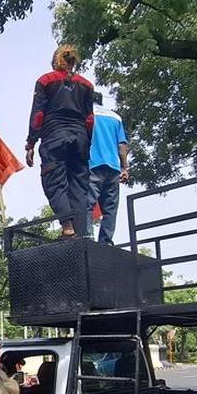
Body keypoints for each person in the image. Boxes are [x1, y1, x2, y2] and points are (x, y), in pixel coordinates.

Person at [24, 44, 96, 238]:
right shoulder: (86, 85)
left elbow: (38, 116)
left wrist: (31, 143)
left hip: (54, 137)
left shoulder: (46, 81)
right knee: (79, 187)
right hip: (80, 139)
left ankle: (68, 228)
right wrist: (87, 144)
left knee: (54, 182)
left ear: (55, 61)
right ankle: (80, 233)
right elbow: (90, 119)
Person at [88, 91, 129, 244]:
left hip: (92, 164)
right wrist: (124, 168)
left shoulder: (87, 114)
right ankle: (106, 242)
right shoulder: (115, 117)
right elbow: (122, 146)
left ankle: (87, 237)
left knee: (87, 204)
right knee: (110, 208)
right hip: (113, 167)